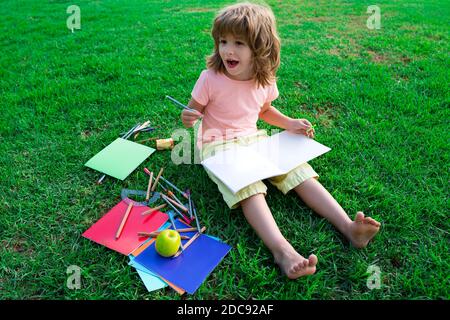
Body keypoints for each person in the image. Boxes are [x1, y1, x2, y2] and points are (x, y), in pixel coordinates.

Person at [181, 2, 381, 279]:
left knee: (298, 170)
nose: (228, 50)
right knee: (248, 184)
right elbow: (192, 111)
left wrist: (289, 123)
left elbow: (263, 111)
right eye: (223, 41)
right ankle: (282, 251)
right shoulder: (210, 78)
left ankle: (349, 228)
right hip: (218, 144)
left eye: (239, 43)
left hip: (253, 138)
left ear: (260, 48)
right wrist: (189, 116)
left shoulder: (264, 79)